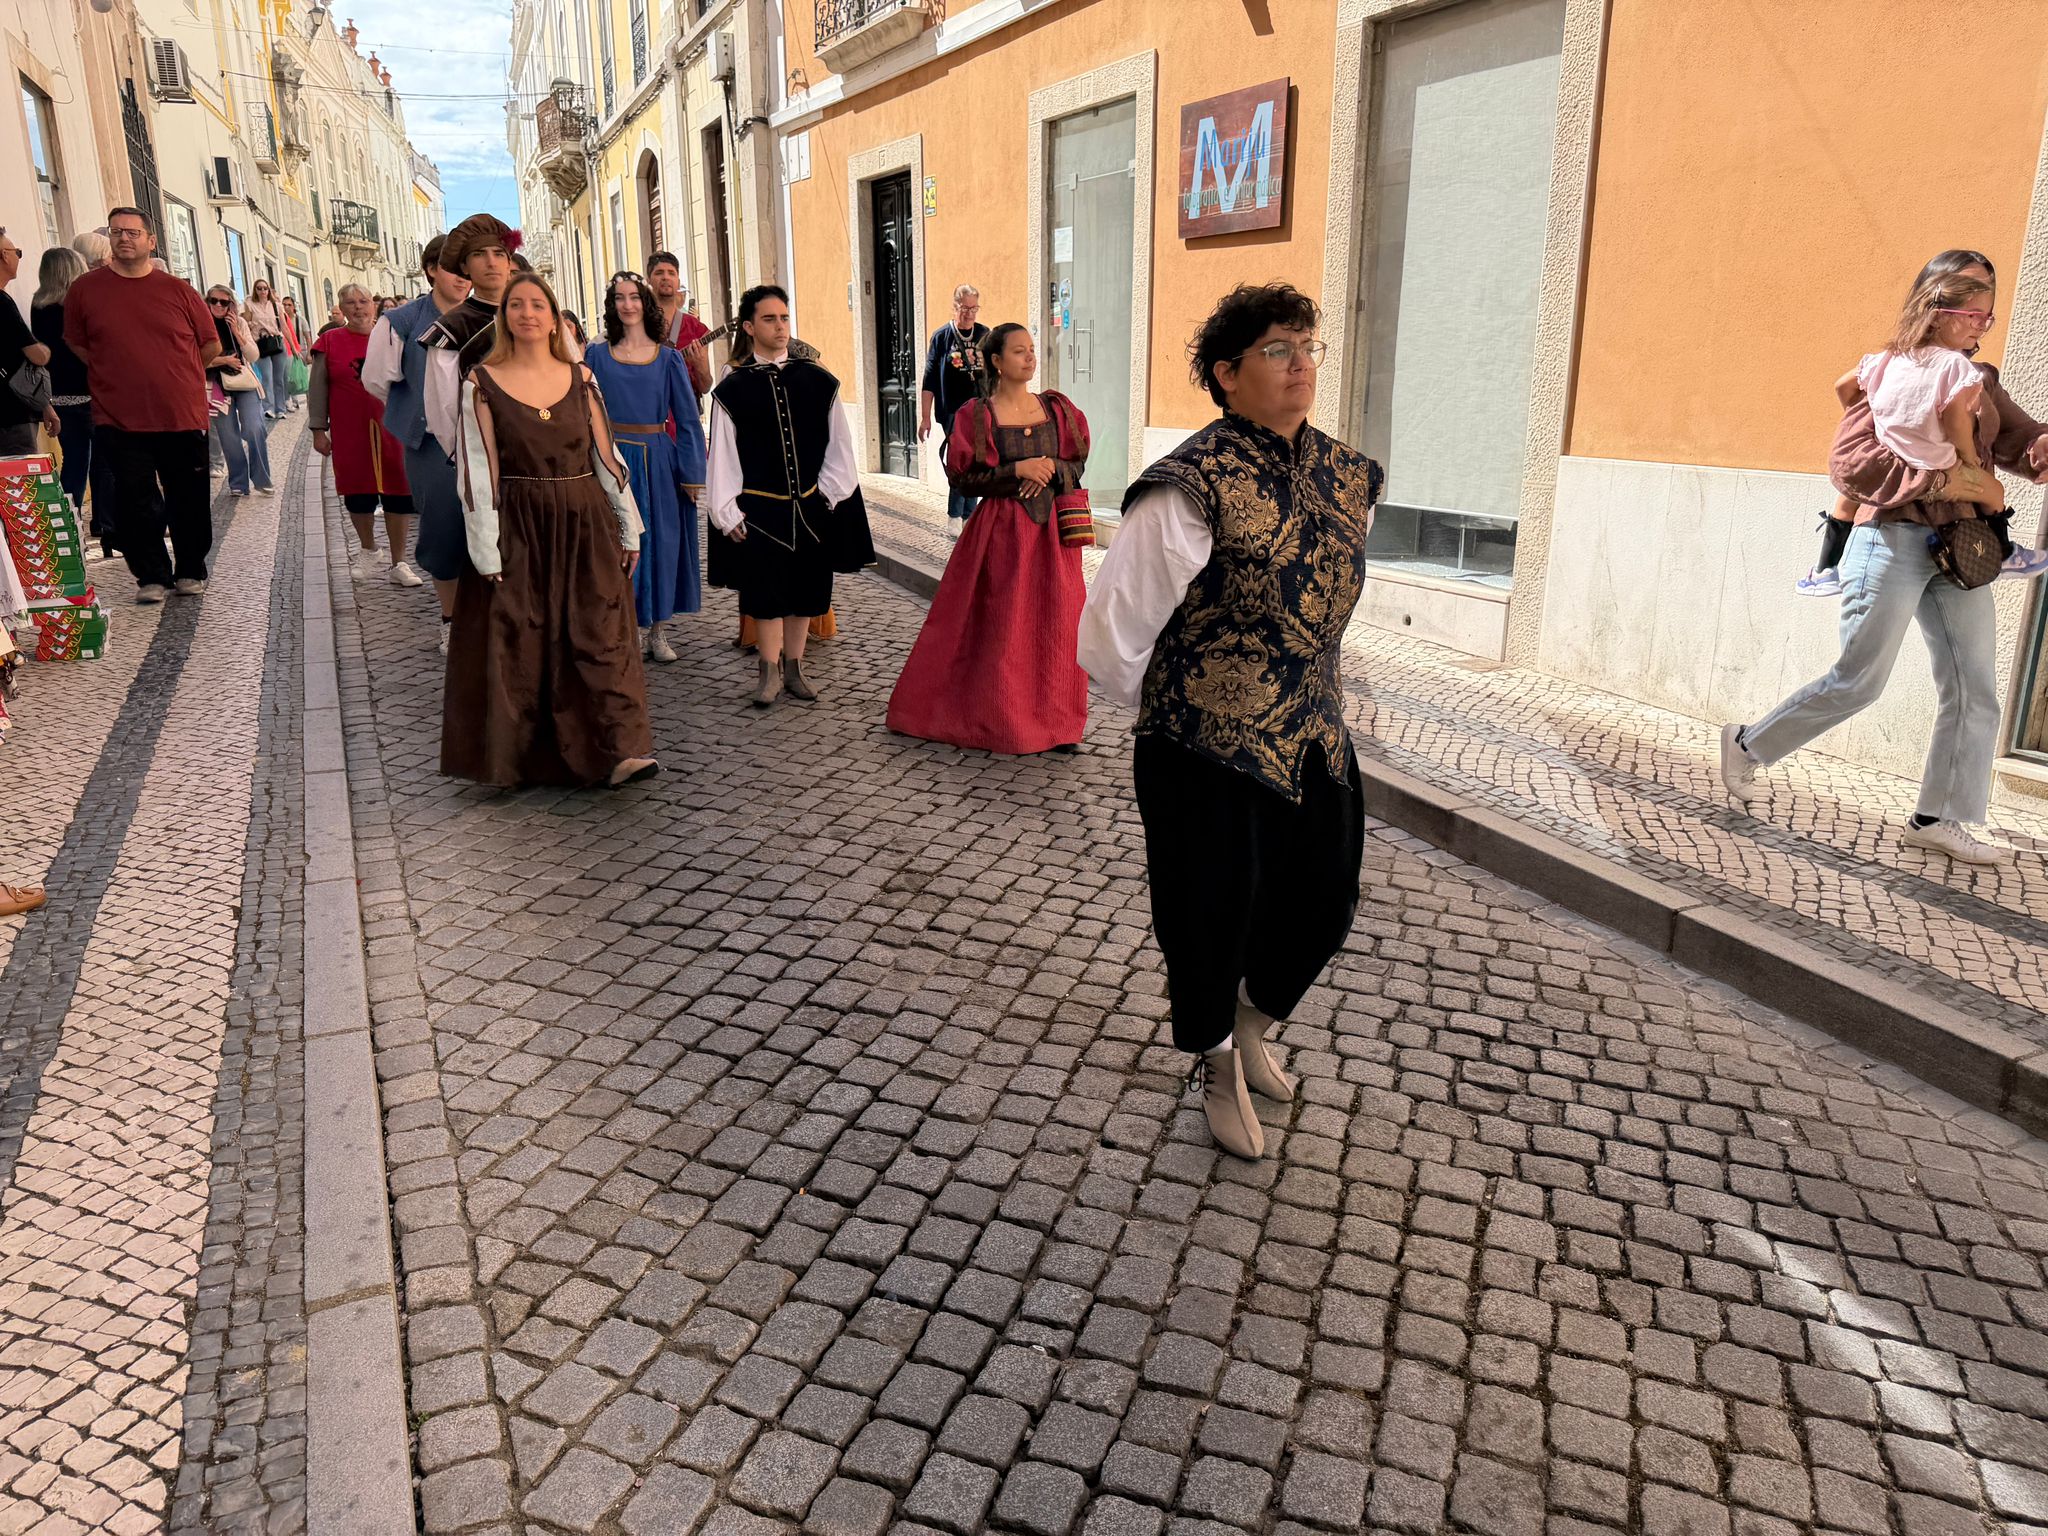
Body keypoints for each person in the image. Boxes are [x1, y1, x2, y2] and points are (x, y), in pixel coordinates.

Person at [1078, 283, 1382, 1161]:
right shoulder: (1187, 485)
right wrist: (1187, 708)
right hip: (1200, 747)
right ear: (1227, 374)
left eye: (1308, 345)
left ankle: (1251, 1023)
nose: (1301, 364)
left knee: (1324, 899)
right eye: (1278, 349)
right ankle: (1214, 1060)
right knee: (1209, 914)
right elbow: (1111, 632)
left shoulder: (1346, 473)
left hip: (1315, 734)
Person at [1722, 250, 2048, 866]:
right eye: (1972, 306)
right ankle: (1748, 743)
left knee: (1975, 690)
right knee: (1860, 681)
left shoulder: (1977, 380)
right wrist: (1943, 483)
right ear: (1936, 302)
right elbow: (1853, 463)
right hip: (1890, 540)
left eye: (1988, 308)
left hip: (1961, 550)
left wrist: (2038, 448)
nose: (1982, 320)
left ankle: (1937, 818)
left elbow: (2019, 438)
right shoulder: (1891, 373)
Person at [445, 271, 656, 788]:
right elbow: (476, 472)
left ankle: (618, 751)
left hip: (585, 522)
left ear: (554, 316)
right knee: (522, 640)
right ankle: (518, 759)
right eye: (517, 305)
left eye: (538, 305)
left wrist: (629, 526)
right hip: (520, 525)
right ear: (504, 317)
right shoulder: (481, 383)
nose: (528, 314)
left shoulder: (581, 378)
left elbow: (607, 458)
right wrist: (486, 548)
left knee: (601, 634)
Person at [888, 322, 1090, 753]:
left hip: (1052, 539)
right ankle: (1003, 719)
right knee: (1004, 628)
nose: (1030, 357)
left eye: (1031, 349)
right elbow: (963, 479)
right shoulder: (977, 415)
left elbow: (1076, 463)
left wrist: (1049, 467)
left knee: (1057, 625)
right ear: (997, 361)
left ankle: (1058, 724)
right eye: (1019, 351)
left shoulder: (1057, 409)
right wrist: (1016, 470)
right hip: (1001, 534)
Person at [706, 286, 862, 707]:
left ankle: (795, 668)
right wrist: (727, 512)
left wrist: (827, 494)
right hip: (759, 511)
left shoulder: (818, 380)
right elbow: (722, 455)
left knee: (806, 591)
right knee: (766, 594)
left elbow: (840, 446)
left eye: (784, 318)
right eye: (769, 319)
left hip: (810, 506)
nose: (779, 326)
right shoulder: (732, 389)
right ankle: (768, 672)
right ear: (749, 327)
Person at [65, 207, 222, 604]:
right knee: (135, 499)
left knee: (187, 497)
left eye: (133, 232)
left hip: (180, 414)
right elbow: (78, 343)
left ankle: (190, 569)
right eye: (117, 231)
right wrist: (116, 372)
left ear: (151, 241)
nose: (124, 238)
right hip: (118, 416)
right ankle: (151, 575)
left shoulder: (178, 290)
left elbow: (210, 345)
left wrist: (177, 375)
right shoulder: (86, 290)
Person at [363, 227, 479, 653]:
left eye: (467, 268)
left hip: (489, 441)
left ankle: (489, 617)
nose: (463, 277)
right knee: (444, 530)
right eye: (453, 268)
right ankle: (451, 619)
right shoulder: (403, 321)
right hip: (432, 446)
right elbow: (377, 380)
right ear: (431, 270)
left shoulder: (491, 315)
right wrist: (418, 412)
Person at [582, 273, 706, 662]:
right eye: (619, 298)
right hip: (613, 459)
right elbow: (583, 414)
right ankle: (628, 628)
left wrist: (692, 474)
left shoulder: (667, 358)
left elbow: (687, 419)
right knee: (617, 543)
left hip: (659, 462)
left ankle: (658, 631)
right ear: (612, 305)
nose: (628, 304)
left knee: (662, 543)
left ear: (645, 303)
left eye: (634, 297)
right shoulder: (596, 356)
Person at [313, 283, 420, 586]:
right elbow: (318, 388)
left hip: (392, 426)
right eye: (350, 303)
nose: (358, 307)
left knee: (399, 492)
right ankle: (369, 549)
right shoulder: (329, 341)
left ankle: (399, 562)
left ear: (373, 305)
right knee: (358, 493)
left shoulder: (393, 337)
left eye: (363, 301)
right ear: (341, 308)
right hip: (350, 428)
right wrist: (318, 429)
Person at [31, 247, 112, 546]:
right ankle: (105, 525)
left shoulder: (38, 307)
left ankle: (68, 523)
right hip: (90, 392)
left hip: (59, 396)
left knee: (75, 461)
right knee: (105, 462)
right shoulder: (80, 307)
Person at [920, 284, 990, 539]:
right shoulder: (942, 337)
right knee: (961, 461)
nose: (970, 313)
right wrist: (925, 417)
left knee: (977, 462)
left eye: (974, 308)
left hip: (981, 410)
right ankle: (955, 515)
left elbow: (995, 371)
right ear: (955, 306)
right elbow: (929, 379)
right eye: (965, 307)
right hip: (952, 411)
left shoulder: (984, 334)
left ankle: (968, 516)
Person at [203, 285, 273, 499]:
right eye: (214, 300)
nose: (218, 305)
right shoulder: (201, 325)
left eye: (224, 302)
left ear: (231, 304)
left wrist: (236, 332)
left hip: (242, 381)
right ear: (207, 301)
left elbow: (253, 356)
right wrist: (223, 360)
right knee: (229, 437)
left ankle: (262, 479)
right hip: (216, 385)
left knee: (254, 428)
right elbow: (196, 359)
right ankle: (238, 482)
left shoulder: (240, 322)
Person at [0, 230, 59, 459]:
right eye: (18, 252)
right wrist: (45, 350)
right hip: (11, 413)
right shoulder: (2, 303)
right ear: (4, 256)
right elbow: (37, 356)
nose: (18, 257)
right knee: (19, 474)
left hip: (15, 406)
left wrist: (44, 405)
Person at [647, 253, 712, 396]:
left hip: (686, 406)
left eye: (671, 273)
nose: (666, 277)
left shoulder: (696, 328)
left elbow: (705, 387)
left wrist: (700, 366)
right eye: (659, 273)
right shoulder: (638, 326)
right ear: (648, 280)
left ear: (678, 281)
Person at [246, 279, 290, 419]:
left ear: (269, 289)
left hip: (277, 342)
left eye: (265, 288)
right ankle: (268, 408)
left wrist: (293, 347)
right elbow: (245, 324)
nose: (263, 291)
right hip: (261, 343)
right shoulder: (250, 304)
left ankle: (280, 408)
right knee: (266, 377)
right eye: (259, 288)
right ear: (255, 290)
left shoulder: (276, 305)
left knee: (279, 378)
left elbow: (284, 327)